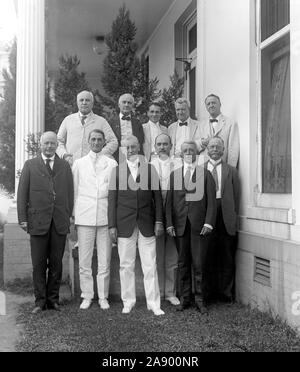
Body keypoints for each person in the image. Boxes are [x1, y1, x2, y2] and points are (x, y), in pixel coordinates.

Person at [17, 132, 74, 314]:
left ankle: (53, 300)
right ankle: (40, 301)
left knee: (56, 263)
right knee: (39, 264)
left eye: (52, 143)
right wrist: (23, 219)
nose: (49, 146)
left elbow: (70, 194)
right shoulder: (30, 165)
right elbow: (22, 194)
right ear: (40, 145)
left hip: (59, 221)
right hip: (37, 221)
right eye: (46, 143)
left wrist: (69, 215)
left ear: (57, 145)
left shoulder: (64, 166)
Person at [108, 135, 165, 316]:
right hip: (124, 223)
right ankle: (128, 301)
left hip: (147, 223)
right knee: (126, 265)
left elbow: (157, 197)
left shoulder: (150, 170)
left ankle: (154, 303)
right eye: (127, 148)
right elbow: (112, 201)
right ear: (123, 150)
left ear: (139, 148)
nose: (130, 151)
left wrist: (158, 221)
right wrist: (112, 226)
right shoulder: (117, 171)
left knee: (150, 264)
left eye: (133, 147)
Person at [165, 141, 217, 313]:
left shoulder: (206, 174)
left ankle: (200, 299)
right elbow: (169, 202)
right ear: (181, 154)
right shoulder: (175, 175)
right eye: (185, 150)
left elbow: (211, 202)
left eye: (191, 150)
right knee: (182, 263)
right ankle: (185, 299)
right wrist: (170, 223)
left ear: (197, 153)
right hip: (180, 226)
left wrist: (209, 222)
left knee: (199, 263)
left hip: (199, 226)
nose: (188, 153)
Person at [72, 129, 117, 310]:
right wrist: (75, 216)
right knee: (85, 260)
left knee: (105, 259)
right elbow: (74, 190)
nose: (97, 142)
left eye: (100, 139)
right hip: (84, 215)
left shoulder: (112, 163)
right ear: (89, 141)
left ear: (104, 142)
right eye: (94, 139)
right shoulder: (79, 163)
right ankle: (87, 295)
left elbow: (114, 192)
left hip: (105, 215)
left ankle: (103, 296)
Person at [205, 137, 240, 303]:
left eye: (217, 146)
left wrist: (233, 217)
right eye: (211, 146)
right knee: (208, 255)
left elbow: (237, 197)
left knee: (226, 256)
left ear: (223, 149)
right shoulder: (199, 170)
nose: (214, 149)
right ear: (207, 149)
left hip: (226, 216)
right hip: (207, 216)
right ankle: (209, 293)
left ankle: (226, 294)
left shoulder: (231, 171)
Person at [151, 134, 180, 306]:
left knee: (171, 256)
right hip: (155, 214)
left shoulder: (178, 164)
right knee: (155, 255)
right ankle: (158, 292)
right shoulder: (148, 165)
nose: (162, 147)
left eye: (165, 144)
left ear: (171, 146)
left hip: (174, 214)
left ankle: (170, 292)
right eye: (159, 144)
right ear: (155, 146)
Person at [57, 90, 118, 165]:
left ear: (92, 103)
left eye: (87, 100)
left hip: (93, 166)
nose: (84, 103)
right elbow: (58, 141)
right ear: (77, 103)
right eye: (81, 100)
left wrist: (100, 154)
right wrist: (64, 155)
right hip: (71, 165)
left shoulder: (101, 121)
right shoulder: (68, 120)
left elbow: (113, 141)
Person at [199, 94, 240, 167]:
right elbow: (196, 145)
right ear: (206, 107)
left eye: (213, 103)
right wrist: (202, 142)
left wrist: (229, 170)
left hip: (222, 166)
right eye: (208, 104)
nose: (211, 105)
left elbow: (233, 150)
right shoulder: (201, 125)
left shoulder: (231, 123)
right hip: (204, 168)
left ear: (220, 104)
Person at [109, 94, 145, 162]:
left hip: (134, 157)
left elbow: (140, 141)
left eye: (129, 103)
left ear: (132, 106)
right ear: (119, 105)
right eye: (124, 102)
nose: (126, 104)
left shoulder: (137, 123)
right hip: (116, 157)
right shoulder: (111, 123)